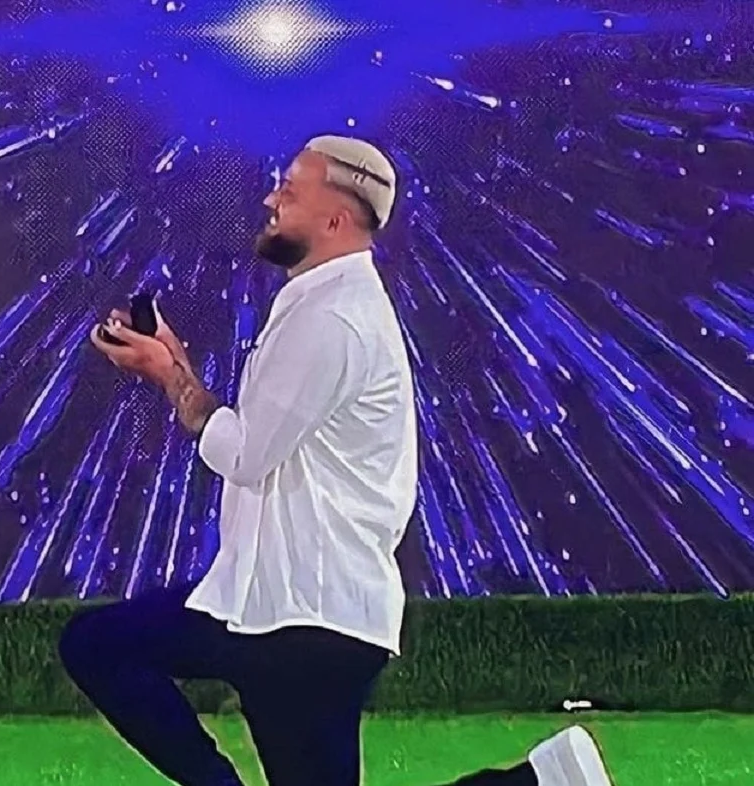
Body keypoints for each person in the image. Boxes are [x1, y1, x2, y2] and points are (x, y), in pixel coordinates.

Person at [64, 135, 613, 786]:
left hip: (304, 617)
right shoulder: (323, 304)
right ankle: (545, 779)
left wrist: (168, 375)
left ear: (335, 219)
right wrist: (175, 365)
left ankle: (542, 782)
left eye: (290, 190)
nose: (270, 199)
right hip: (284, 609)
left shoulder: (333, 319)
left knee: (99, 647)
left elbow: (244, 455)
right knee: (100, 646)